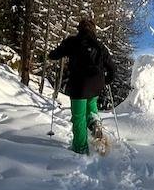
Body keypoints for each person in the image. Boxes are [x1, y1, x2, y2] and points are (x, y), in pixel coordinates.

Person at [47, 18, 116, 154]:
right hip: (96, 84)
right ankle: (95, 124)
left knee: (79, 118)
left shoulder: (72, 42)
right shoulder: (99, 46)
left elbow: (53, 55)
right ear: (94, 31)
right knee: (91, 108)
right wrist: (107, 80)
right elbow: (112, 68)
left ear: (79, 29)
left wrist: (56, 52)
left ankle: (80, 148)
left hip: (79, 85)